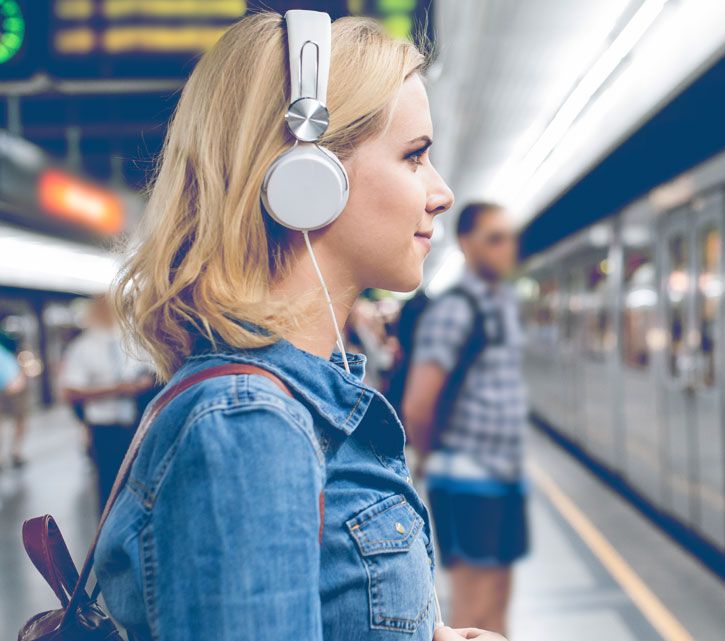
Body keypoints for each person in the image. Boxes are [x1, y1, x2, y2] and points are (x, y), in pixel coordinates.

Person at [95, 10, 505, 641]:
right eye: (415, 156)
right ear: (308, 180)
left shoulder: (293, 401)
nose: (441, 191)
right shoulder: (249, 425)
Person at [402, 202, 530, 636]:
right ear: (466, 244)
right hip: (465, 475)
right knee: (474, 606)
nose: (506, 249)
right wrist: (429, 458)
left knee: (498, 595)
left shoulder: (502, 306)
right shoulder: (454, 310)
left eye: (509, 237)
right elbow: (419, 404)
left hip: (503, 473)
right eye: (494, 238)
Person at [61, 294, 155, 513]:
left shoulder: (133, 343)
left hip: (138, 424)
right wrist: (116, 389)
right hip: (105, 428)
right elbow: (70, 392)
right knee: (109, 488)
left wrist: (142, 384)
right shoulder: (83, 347)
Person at [0, 340, 27, 469]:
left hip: (14, 387)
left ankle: (16, 452)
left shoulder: (7, 339)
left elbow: (21, 356)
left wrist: (19, 378)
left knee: (19, 420)